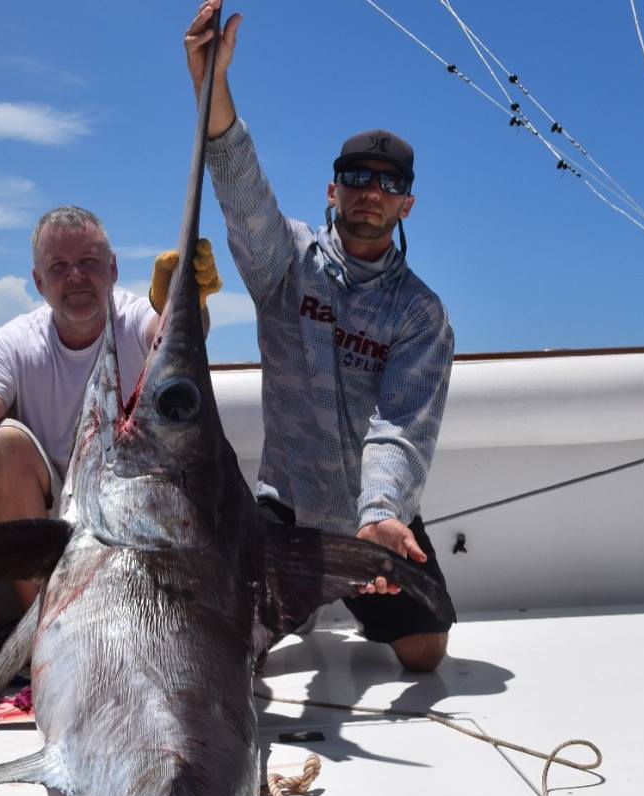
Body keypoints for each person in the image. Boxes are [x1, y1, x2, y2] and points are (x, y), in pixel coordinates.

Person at [185, 2, 456, 672]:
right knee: (227, 653)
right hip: (285, 511)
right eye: (358, 177)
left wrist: (382, 514)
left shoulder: (420, 313)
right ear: (332, 190)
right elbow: (242, 192)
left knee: (425, 652)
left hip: (371, 519)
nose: (372, 191)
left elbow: (401, 423)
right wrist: (210, 85)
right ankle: (300, 599)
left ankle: (348, 596)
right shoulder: (285, 264)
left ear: (406, 205)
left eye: (389, 184)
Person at [0, 205, 220, 607]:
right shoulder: (10, 344)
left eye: (88, 262)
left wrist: (185, 304)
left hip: (141, 506)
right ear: (38, 281)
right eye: (59, 266)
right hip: (55, 519)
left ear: (113, 269)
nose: (76, 276)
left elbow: (176, 341)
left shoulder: (137, 317)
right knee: (1, 443)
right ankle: (44, 627)